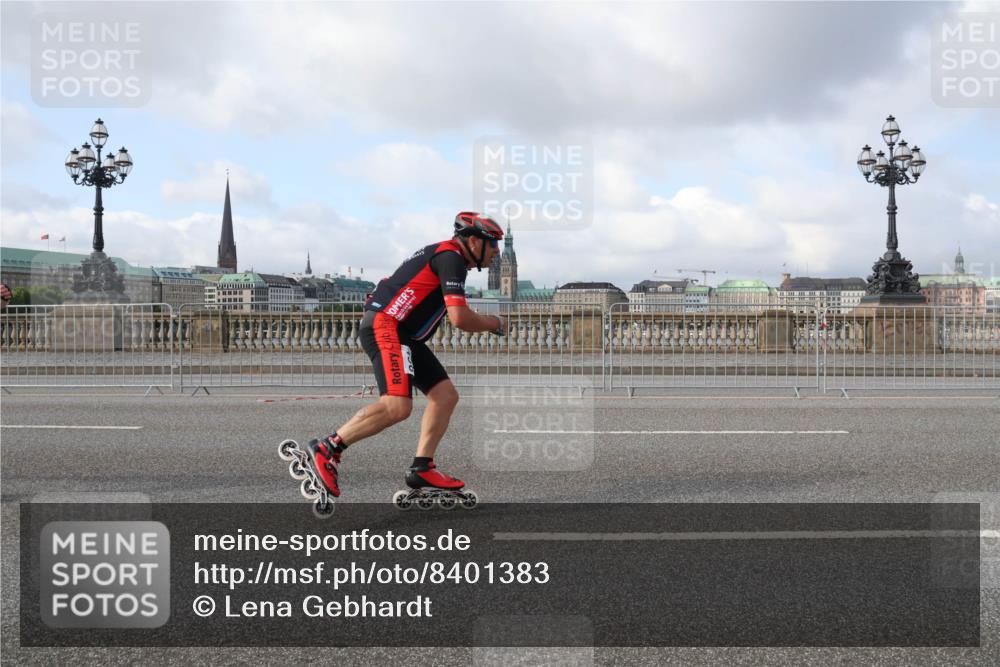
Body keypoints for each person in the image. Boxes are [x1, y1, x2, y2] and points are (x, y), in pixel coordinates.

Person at [302, 212, 507, 499]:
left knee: (445, 396)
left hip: (402, 333)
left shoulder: (445, 254)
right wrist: (496, 323)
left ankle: (422, 468)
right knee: (397, 406)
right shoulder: (452, 259)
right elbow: (459, 318)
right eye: (493, 245)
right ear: (474, 242)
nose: (496, 252)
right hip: (387, 327)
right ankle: (328, 448)